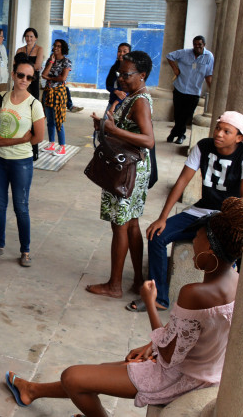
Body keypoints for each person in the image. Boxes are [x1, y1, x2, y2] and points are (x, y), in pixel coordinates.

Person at [6, 196, 243, 417]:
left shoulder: (195, 293)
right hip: (205, 373)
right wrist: (151, 344)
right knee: (99, 371)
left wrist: (150, 303)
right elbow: (194, 334)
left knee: (72, 377)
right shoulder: (237, 281)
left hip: (179, 378)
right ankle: (32, 390)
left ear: (210, 248)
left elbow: (168, 354)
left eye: (198, 237)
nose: (193, 241)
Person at [136, 111, 243, 312]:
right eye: (218, 128)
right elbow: (182, 181)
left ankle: (228, 304)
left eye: (226, 131)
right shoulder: (203, 146)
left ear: (239, 138)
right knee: (157, 235)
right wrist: (163, 217)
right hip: (201, 211)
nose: (219, 134)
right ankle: (159, 297)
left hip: (226, 218)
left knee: (234, 250)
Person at [87, 51, 155, 299]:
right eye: (120, 73)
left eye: (126, 75)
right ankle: (137, 280)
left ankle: (115, 285)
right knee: (132, 224)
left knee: (120, 226)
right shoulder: (134, 96)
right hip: (133, 168)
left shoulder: (140, 101)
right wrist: (106, 127)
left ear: (142, 75)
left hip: (127, 171)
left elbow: (148, 140)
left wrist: (114, 130)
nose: (121, 78)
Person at [0, 60, 45, 267]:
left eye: (29, 77)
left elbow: (38, 137)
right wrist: (19, 139)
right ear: (13, 75)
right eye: (21, 75)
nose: (24, 80)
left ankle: (25, 250)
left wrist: (11, 142)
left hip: (21, 162)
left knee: (21, 206)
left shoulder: (34, 104)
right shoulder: (2, 97)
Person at [166, 36, 215, 144]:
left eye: (200, 44)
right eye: (195, 44)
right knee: (178, 114)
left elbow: (208, 74)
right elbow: (169, 56)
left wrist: (212, 90)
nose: (197, 46)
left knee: (186, 115)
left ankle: (175, 133)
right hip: (180, 88)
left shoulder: (209, 56)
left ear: (204, 45)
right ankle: (180, 135)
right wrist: (175, 69)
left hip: (194, 91)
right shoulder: (184, 53)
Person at [41, 39, 71, 156]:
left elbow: (63, 78)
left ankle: (62, 146)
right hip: (48, 92)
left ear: (63, 48)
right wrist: (51, 62)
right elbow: (44, 74)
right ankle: (51, 144)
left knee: (58, 120)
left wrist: (50, 78)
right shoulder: (51, 59)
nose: (56, 48)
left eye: (58, 46)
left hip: (59, 93)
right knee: (49, 120)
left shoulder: (66, 61)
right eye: (55, 46)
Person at [15, 28, 44, 99]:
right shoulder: (20, 50)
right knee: (18, 98)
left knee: (33, 100)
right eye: (27, 36)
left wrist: (22, 67)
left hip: (33, 79)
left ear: (35, 38)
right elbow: (15, 66)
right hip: (21, 78)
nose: (29, 38)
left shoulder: (39, 49)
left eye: (31, 36)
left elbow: (37, 66)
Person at [105, 42, 131, 113]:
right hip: (112, 102)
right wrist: (115, 91)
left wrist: (115, 103)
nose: (121, 54)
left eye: (124, 51)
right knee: (105, 120)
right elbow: (108, 85)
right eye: (119, 51)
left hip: (125, 105)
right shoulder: (114, 68)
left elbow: (129, 89)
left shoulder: (131, 69)